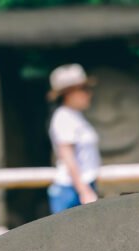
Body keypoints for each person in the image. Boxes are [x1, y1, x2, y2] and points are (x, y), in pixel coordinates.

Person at [46, 63, 101, 214]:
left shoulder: (75, 116)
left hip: (81, 185)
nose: (88, 94)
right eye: (83, 89)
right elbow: (68, 157)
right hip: (72, 189)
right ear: (68, 93)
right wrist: (84, 191)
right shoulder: (63, 117)